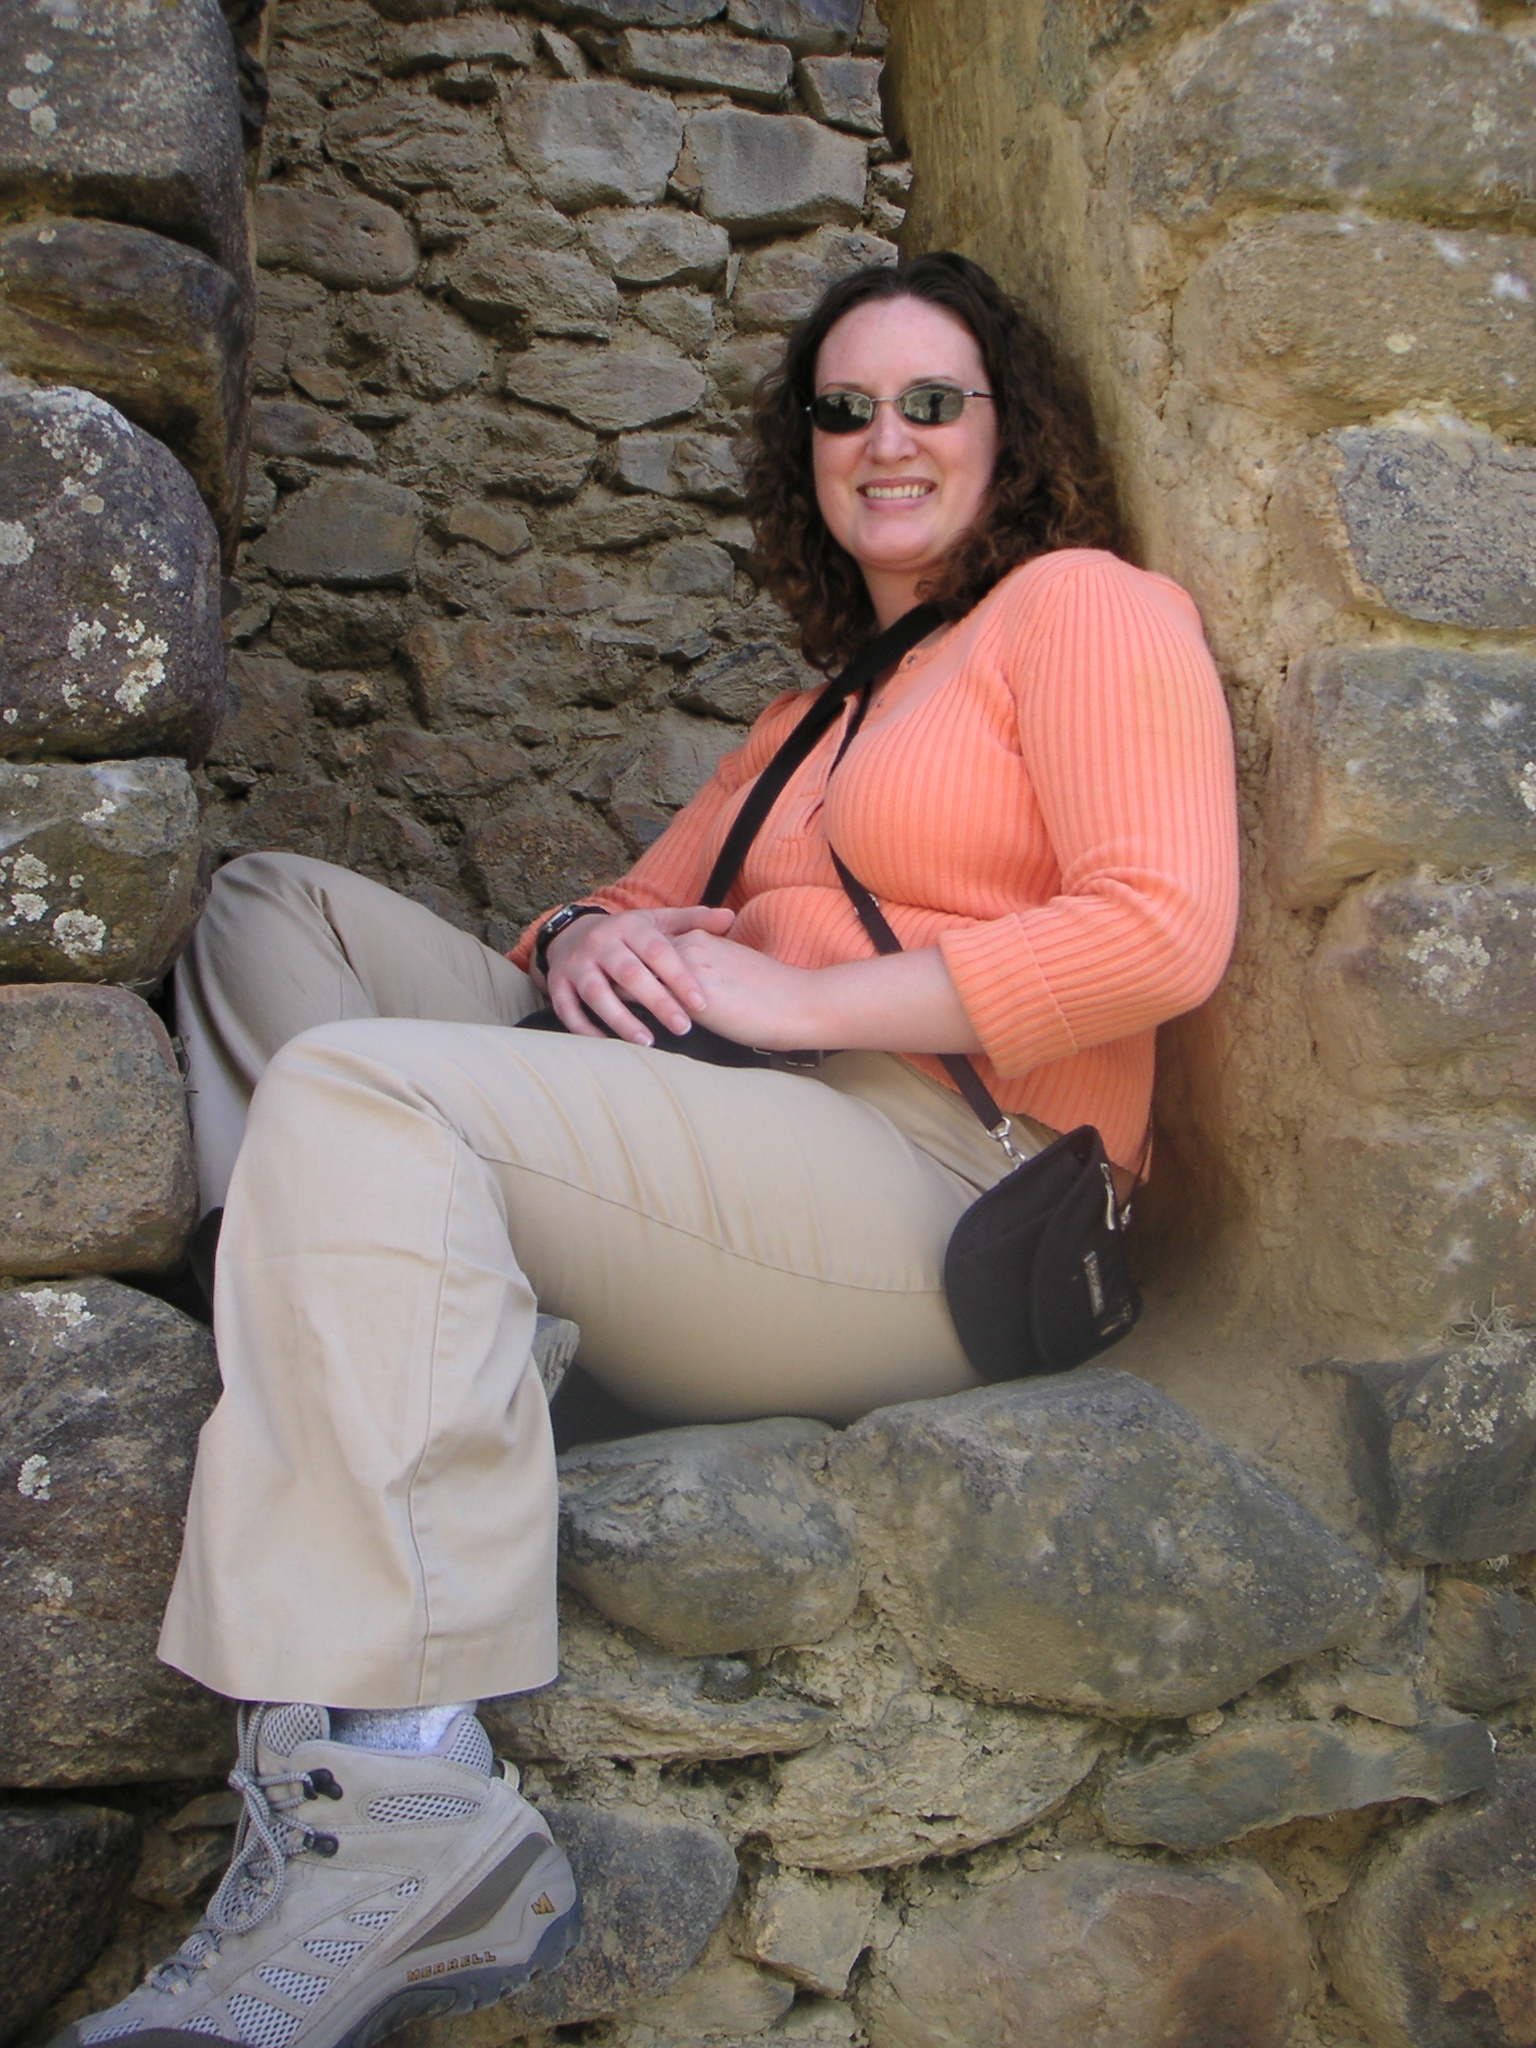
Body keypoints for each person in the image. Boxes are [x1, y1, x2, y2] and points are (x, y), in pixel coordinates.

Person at [57, 253, 1238, 2048]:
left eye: (933, 402)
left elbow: (1160, 931)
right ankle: (391, 1333)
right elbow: (628, 900)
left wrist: (794, 1005)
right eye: (845, 409)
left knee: (371, 1093)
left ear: (1015, 433)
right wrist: (579, 932)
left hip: (936, 1179)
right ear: (807, 451)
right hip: (730, 1135)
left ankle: (403, 1789)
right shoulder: (812, 715)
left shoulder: (1083, 608)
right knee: (268, 907)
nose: (887, 440)